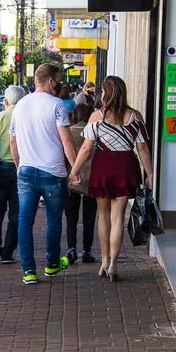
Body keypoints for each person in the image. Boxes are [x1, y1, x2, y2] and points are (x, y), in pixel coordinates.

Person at [69, 76, 154, 282]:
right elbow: (142, 147)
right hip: (125, 167)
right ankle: (115, 264)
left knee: (103, 216)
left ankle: (105, 261)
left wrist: (74, 171)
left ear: (105, 93)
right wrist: (150, 173)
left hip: (103, 166)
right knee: (118, 218)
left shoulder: (97, 117)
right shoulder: (135, 116)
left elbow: (87, 148)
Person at [10, 63, 79, 284]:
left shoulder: (20, 105)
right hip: (53, 171)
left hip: (27, 171)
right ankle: (51, 264)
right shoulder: (57, 105)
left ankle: (28, 270)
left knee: (24, 221)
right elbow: (66, 140)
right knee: (53, 220)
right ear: (50, 81)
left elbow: (13, 140)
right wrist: (75, 169)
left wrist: (18, 164)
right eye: (57, 81)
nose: (58, 85)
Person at [0, 85, 25, 264]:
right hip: (21, 169)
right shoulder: (26, 118)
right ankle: (8, 251)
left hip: (0, 168)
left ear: (6, 101)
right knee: (16, 212)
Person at [65, 103, 98, 265]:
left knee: (71, 217)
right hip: (91, 181)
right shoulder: (95, 132)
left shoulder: (69, 133)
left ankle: (71, 248)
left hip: (72, 181)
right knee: (89, 218)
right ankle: (87, 250)